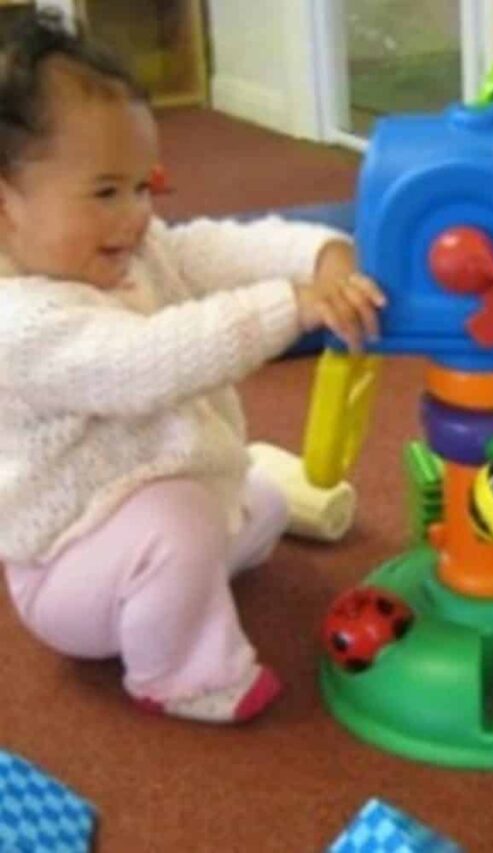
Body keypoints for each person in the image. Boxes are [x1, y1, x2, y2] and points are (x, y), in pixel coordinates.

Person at [0, 11, 384, 724]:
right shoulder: (17, 322)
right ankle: (178, 674)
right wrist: (289, 307)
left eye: (145, 187)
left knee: (257, 499)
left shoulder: (133, 250)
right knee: (177, 519)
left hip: (152, 498)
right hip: (67, 567)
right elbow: (145, 363)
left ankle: (180, 585)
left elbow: (222, 247)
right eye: (107, 191)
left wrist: (319, 255)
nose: (138, 214)